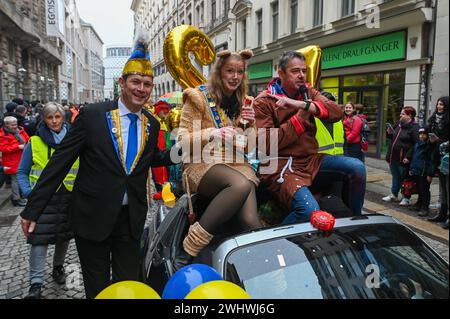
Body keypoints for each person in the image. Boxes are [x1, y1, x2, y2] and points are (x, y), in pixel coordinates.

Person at [19, 37, 174, 298]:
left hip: (130, 219)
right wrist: (33, 209)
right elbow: (59, 162)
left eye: (147, 84)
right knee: (97, 287)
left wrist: (188, 150)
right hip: (92, 217)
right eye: (135, 82)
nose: (142, 89)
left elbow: (150, 158)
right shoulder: (92, 116)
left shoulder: (152, 123)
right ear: (121, 83)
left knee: (126, 286)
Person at [253, 51, 366, 225]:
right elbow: (266, 143)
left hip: (311, 160)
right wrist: (300, 118)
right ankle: (276, 243)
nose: (301, 76)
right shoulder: (264, 101)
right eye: (295, 71)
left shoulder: (307, 93)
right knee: (308, 211)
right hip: (281, 166)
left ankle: (355, 221)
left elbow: (336, 111)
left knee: (357, 168)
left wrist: (304, 105)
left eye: (304, 71)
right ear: (281, 73)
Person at [176, 49, 262, 270]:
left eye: (240, 72)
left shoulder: (243, 102)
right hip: (201, 163)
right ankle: (191, 246)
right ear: (219, 73)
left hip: (236, 164)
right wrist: (212, 133)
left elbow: (249, 147)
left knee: (251, 221)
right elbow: (182, 141)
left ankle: (255, 265)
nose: (235, 76)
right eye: (230, 71)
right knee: (240, 184)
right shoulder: (197, 97)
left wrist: (251, 125)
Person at [17, 102, 76, 299]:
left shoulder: (74, 139)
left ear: (63, 118)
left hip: (68, 196)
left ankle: (58, 267)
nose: (54, 121)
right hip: (42, 200)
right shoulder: (34, 142)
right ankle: (36, 284)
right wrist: (29, 193)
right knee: (38, 240)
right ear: (44, 119)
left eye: (57, 117)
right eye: (50, 117)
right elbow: (22, 172)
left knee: (64, 236)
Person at [383, 106, 419, 206]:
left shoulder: (415, 128)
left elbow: (416, 144)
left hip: (404, 158)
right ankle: (394, 194)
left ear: (410, 115)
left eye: (403, 114)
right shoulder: (398, 124)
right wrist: (389, 133)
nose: (400, 115)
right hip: (393, 156)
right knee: (396, 177)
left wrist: (408, 156)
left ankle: (406, 198)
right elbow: (392, 137)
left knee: (405, 179)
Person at [427, 97, 449, 223]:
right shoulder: (433, 120)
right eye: (438, 104)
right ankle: (442, 213)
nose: (439, 106)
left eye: (441, 104)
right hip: (437, 156)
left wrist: (439, 141)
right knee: (442, 188)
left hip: (447, 157)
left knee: (448, 186)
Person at [0, 116, 29, 206]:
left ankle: (21, 196)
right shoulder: (2, 135)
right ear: (6, 125)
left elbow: (27, 139)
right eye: (12, 125)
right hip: (11, 161)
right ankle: (16, 199)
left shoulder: (20, 130)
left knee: (21, 178)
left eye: (15, 124)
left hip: (22, 158)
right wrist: (17, 147)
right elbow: (3, 148)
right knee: (15, 180)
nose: (15, 126)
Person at [408, 127, 433, 217]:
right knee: (419, 188)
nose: (421, 136)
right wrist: (411, 169)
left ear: (427, 135)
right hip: (417, 170)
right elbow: (414, 157)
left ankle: (425, 207)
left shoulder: (428, 145)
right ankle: (419, 203)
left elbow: (430, 161)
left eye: (424, 134)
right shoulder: (417, 144)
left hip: (424, 172)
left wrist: (430, 173)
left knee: (424, 189)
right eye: (420, 134)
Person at [151, 100, 171, 200]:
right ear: (158, 111)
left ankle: (166, 189)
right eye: (163, 110)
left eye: (166, 110)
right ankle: (160, 189)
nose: (165, 112)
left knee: (166, 169)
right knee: (159, 169)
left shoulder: (165, 121)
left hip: (167, 149)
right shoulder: (155, 121)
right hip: (159, 150)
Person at [315, 92, 345, 156]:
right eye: (326, 102)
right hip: (320, 161)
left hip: (339, 158)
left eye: (331, 102)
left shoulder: (338, 120)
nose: (330, 105)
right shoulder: (312, 120)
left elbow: (345, 141)